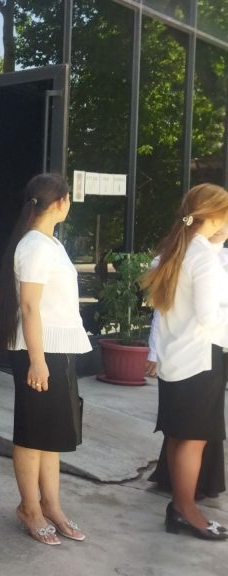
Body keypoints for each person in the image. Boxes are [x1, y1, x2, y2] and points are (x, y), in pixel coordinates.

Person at [0, 173, 91, 547]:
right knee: (33, 433)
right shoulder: (34, 245)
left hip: (57, 350)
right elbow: (30, 306)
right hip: (39, 351)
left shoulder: (50, 243)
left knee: (51, 435)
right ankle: (29, 508)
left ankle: (52, 505)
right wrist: (37, 361)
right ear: (62, 202)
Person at [140, 183, 228, 541]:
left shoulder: (178, 249)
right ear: (215, 214)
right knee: (194, 439)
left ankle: (180, 506)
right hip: (200, 358)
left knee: (180, 436)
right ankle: (187, 510)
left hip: (177, 358)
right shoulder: (203, 256)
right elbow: (208, 316)